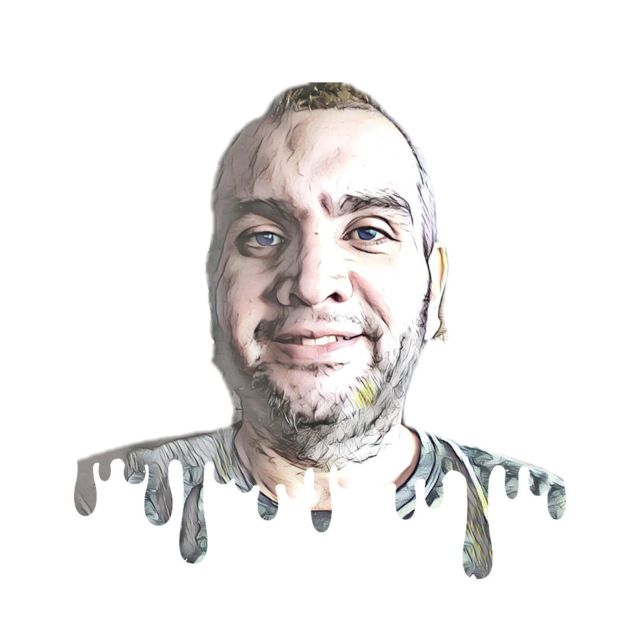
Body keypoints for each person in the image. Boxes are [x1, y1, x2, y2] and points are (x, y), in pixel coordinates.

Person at [74, 83, 565, 578]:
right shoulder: (96, 515)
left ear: (434, 289)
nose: (311, 283)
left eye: (368, 232)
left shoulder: (547, 530)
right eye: (263, 236)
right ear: (215, 285)